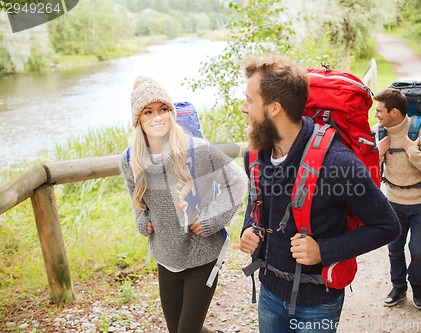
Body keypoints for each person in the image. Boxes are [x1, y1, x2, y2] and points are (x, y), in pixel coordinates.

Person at [238, 55, 401, 332]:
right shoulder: (255, 155)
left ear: (274, 108)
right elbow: (258, 201)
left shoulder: (337, 163)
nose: (243, 108)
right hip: (269, 291)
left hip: (318, 302)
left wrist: (324, 251)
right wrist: (248, 228)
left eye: (249, 100)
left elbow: (388, 226)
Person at [120, 76, 247, 333]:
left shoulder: (198, 150)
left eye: (163, 109)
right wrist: (142, 220)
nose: (158, 117)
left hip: (203, 256)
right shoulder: (130, 159)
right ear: (138, 120)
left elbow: (238, 182)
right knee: (179, 329)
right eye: (148, 112)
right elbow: (136, 195)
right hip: (167, 257)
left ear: (172, 113)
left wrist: (213, 218)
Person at [373, 88, 421, 310]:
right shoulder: (378, 133)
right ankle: (398, 287)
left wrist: (414, 153)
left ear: (394, 112)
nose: (376, 116)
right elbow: (365, 171)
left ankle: (417, 284)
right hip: (393, 200)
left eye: (379, 111)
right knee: (394, 248)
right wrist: (378, 153)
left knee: (418, 249)